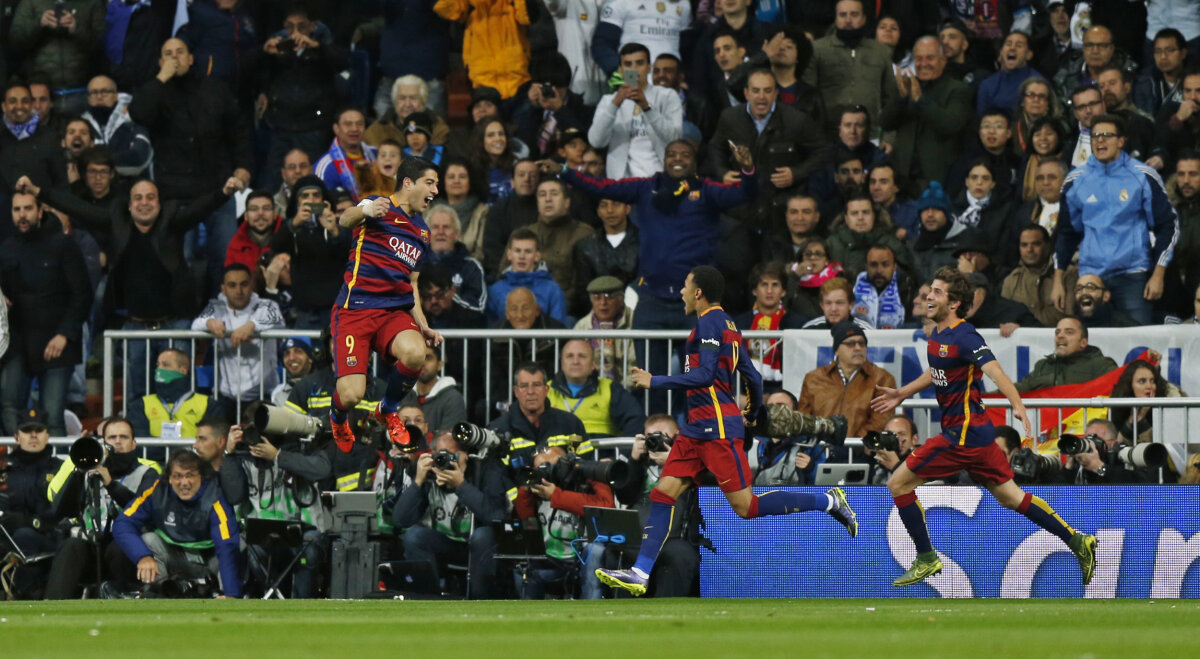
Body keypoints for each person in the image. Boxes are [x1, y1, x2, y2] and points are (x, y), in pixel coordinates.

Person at [595, 266, 858, 596]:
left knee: (747, 508)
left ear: (699, 292)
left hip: (716, 428)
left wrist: (656, 381)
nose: (680, 292)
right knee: (663, 494)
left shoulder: (709, 322)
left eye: (686, 286)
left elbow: (705, 375)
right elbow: (753, 377)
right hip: (697, 429)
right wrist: (754, 411)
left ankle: (828, 500)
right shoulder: (729, 325)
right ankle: (640, 573)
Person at [870, 266, 1097, 587]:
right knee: (1011, 498)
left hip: (960, 436)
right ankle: (1077, 540)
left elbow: (995, 371)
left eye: (937, 292)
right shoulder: (938, 335)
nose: (928, 296)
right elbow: (937, 370)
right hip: (977, 437)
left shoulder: (965, 335)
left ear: (954, 304)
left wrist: (1017, 404)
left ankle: (926, 557)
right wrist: (904, 392)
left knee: (898, 484)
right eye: (929, 290)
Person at [331, 157, 444, 449]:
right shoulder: (377, 205)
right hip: (355, 310)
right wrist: (367, 209)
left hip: (392, 311)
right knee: (352, 394)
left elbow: (413, 284)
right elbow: (344, 220)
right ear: (408, 183)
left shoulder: (422, 233)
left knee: (417, 353)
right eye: (430, 182)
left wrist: (424, 326)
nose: (436, 190)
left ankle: (387, 409)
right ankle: (337, 415)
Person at [1054, 114, 1181, 326]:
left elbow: (1168, 226)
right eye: (1095, 136)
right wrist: (1058, 281)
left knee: (1136, 341)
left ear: (1121, 141)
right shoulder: (1076, 179)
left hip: (1132, 274)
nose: (1100, 141)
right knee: (1089, 341)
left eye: (1107, 135)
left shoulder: (1143, 175)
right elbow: (1066, 233)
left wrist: (1158, 274)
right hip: (1090, 275)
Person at [0, 190, 91, 436]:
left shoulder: (63, 244)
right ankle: (16, 468)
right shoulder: (6, 248)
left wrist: (64, 334)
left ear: (41, 211)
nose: (22, 215)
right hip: (18, 341)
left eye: (28, 208)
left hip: (57, 341)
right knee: (8, 406)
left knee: (52, 414)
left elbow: (82, 294)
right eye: (17, 209)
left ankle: (57, 472)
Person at [45, 416, 161, 598]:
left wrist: (111, 484)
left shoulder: (147, 472)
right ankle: (52, 607)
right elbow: (60, 512)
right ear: (103, 443)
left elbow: (147, 511)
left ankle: (125, 599)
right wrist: (78, 474)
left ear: (134, 443)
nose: (117, 442)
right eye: (112, 438)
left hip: (126, 550)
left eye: (124, 437)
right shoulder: (89, 470)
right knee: (71, 545)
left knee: (120, 546)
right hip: (91, 547)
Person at [392, 429, 507, 599]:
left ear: (466, 455)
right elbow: (400, 519)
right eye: (440, 455)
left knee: (483, 535)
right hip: (445, 544)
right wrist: (418, 481)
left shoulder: (485, 470)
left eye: (452, 455)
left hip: (479, 548)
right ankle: (427, 600)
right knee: (414, 535)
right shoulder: (428, 475)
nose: (445, 461)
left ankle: (479, 600)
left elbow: (495, 515)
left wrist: (461, 485)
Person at [112, 451, 242, 598]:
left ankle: (223, 595)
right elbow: (123, 523)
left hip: (212, 561)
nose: (184, 483)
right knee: (149, 540)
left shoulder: (215, 495)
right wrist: (143, 557)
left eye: (190, 475)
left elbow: (226, 545)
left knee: (240, 544)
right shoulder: (157, 489)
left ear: (202, 476)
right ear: (169, 478)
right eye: (178, 476)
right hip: (175, 558)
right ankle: (157, 594)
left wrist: (232, 594)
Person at [514, 445, 616, 599]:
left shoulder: (585, 480)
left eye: (550, 466)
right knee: (521, 564)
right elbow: (526, 519)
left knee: (595, 551)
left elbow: (607, 507)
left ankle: (592, 614)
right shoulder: (539, 491)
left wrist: (557, 495)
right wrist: (526, 489)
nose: (547, 472)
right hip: (551, 561)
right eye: (541, 468)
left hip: (582, 561)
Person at [880, 36, 972, 197]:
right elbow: (885, 123)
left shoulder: (957, 89)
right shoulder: (907, 87)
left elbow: (950, 124)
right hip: (901, 177)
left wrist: (921, 101)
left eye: (930, 58)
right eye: (919, 58)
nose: (923, 64)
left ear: (943, 60)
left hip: (937, 178)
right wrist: (901, 98)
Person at [191, 264, 286, 403]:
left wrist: (252, 326)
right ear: (223, 289)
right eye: (232, 285)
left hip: (262, 396)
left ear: (251, 285)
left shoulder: (267, 305)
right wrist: (209, 323)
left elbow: (279, 322)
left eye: (244, 284)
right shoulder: (215, 307)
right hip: (225, 395)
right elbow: (195, 325)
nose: (239, 290)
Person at [587, 42, 684, 179]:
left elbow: (674, 139)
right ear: (620, 70)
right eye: (628, 65)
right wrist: (615, 104)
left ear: (649, 67)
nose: (634, 69)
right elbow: (596, 141)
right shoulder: (608, 101)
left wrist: (647, 107)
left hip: (659, 180)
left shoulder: (667, 96)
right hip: (622, 184)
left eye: (639, 63)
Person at [801, 0, 897, 133]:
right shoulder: (818, 50)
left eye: (854, 14)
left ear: (864, 18)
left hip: (871, 134)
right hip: (829, 135)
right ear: (835, 18)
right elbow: (807, 95)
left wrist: (889, 136)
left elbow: (891, 100)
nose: (848, 20)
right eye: (842, 15)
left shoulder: (881, 52)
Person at [798, 320, 896, 437]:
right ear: (836, 350)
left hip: (861, 451)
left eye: (862, 343)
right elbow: (804, 420)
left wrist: (851, 445)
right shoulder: (814, 379)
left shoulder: (882, 379)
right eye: (851, 344)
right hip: (821, 451)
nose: (858, 348)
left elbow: (880, 421)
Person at [547, 339, 645, 437]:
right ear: (562, 363)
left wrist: (622, 451)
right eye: (570, 356)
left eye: (582, 356)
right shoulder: (545, 390)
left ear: (593, 364)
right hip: (556, 451)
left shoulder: (610, 389)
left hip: (600, 452)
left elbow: (636, 419)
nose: (575, 361)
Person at [733, 261, 807, 387]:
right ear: (755, 291)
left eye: (775, 285)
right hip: (745, 391)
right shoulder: (738, 324)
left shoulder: (798, 324)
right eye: (764, 284)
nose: (769, 290)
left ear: (783, 292)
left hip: (785, 390)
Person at [128, 348, 224, 439]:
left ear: (183, 370)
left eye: (165, 365)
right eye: (158, 365)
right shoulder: (142, 404)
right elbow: (139, 442)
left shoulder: (208, 404)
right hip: (153, 457)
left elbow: (210, 442)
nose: (159, 370)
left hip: (192, 457)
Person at [527, 178, 594, 305]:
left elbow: (582, 286)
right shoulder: (525, 234)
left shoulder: (584, 234)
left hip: (568, 310)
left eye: (554, 194)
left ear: (567, 203)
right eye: (542, 195)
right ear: (537, 204)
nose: (548, 199)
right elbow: (505, 274)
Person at [486, 229, 570, 325]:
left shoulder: (552, 290)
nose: (522, 256)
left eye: (528, 251)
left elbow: (559, 329)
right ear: (509, 254)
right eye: (517, 251)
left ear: (537, 256)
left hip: (543, 340)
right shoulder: (495, 290)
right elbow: (491, 329)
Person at [570, 197, 639, 315]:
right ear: (598, 211)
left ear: (628, 208)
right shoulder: (585, 246)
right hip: (596, 315)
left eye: (616, 204)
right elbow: (582, 293)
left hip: (636, 313)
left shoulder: (645, 243)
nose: (610, 210)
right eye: (604, 205)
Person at [591, 0, 691, 78]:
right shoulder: (619, 2)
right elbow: (602, 45)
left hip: (670, 83)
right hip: (632, 83)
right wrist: (621, 77)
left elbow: (687, 49)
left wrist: (685, 79)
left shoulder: (683, 4)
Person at [573, 275, 637, 387]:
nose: (603, 302)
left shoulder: (635, 322)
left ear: (621, 299)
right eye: (597, 297)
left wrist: (617, 393)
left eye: (609, 296)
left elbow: (636, 368)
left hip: (628, 390)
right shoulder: (581, 326)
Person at [1110, 358, 1185, 446]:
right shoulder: (1120, 408)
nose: (1149, 386)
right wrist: (1133, 421)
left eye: (1152, 381)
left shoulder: (1167, 407)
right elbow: (1120, 446)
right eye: (1142, 381)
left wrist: (1142, 420)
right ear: (1130, 385)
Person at [399, 345, 468, 433]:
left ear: (439, 365)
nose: (422, 363)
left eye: (428, 358)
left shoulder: (452, 399)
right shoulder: (402, 393)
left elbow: (448, 440)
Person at [314, 107, 377, 202]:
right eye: (348, 124)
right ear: (336, 129)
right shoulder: (325, 165)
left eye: (359, 124)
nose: (354, 129)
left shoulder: (377, 154)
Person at [976, 31, 1043, 116]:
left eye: (1019, 45)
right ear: (1001, 52)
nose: (1012, 48)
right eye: (1008, 44)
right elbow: (982, 120)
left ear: (1029, 55)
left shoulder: (1038, 83)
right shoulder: (988, 84)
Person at [1134, 29, 1190, 118]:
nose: (1163, 56)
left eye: (1170, 50)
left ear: (1183, 53)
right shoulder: (1145, 81)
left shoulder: (1195, 79)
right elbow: (1146, 118)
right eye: (1158, 51)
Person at [224, 191, 281, 274]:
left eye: (266, 208)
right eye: (254, 209)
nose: (260, 213)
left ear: (275, 214)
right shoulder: (235, 244)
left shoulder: (288, 240)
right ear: (246, 216)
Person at [800, 277, 873, 330]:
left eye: (839, 303)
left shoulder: (866, 331)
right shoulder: (809, 329)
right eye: (828, 303)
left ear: (851, 304)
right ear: (822, 305)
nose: (833, 309)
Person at [866, 414, 919, 485]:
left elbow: (920, 492)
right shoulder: (876, 462)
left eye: (901, 434)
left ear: (914, 439)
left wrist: (895, 466)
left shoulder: (924, 462)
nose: (895, 439)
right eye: (890, 434)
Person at [271, 337, 315, 408]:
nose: (291, 358)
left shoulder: (322, 387)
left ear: (310, 358)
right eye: (286, 353)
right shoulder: (278, 393)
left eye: (298, 351)